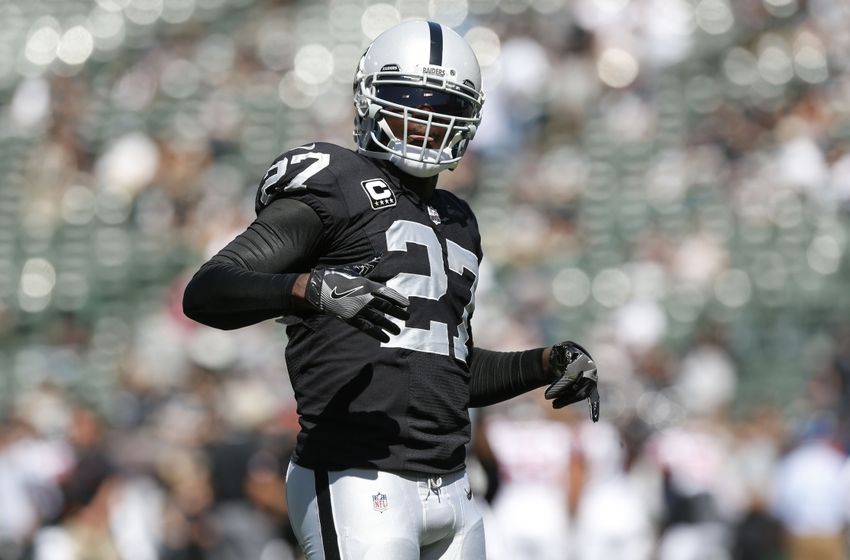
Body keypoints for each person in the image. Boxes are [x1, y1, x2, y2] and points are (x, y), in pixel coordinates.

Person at [183, 19, 600, 560]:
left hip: (452, 485)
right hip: (357, 477)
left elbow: (445, 369)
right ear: (369, 99)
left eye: (443, 107)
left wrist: (543, 362)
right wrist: (308, 289)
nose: (425, 122)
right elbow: (209, 290)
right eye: (408, 100)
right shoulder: (335, 182)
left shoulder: (457, 220)